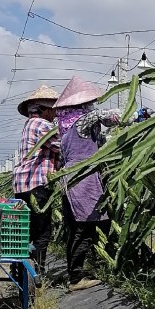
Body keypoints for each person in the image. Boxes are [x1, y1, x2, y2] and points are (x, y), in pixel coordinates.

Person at [54, 76, 120, 291]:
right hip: (83, 178)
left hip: (71, 178)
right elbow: (108, 117)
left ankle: (76, 272)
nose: (92, 104)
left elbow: (98, 141)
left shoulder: (65, 125)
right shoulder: (83, 120)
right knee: (83, 229)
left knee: (75, 229)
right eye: (89, 102)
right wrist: (134, 115)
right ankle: (76, 279)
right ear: (82, 104)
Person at [12, 83, 60, 275]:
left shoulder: (28, 125)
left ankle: (17, 269)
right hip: (37, 184)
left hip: (22, 185)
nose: (56, 114)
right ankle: (37, 273)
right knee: (42, 232)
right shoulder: (43, 125)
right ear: (45, 109)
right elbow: (62, 147)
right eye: (54, 110)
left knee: (25, 230)